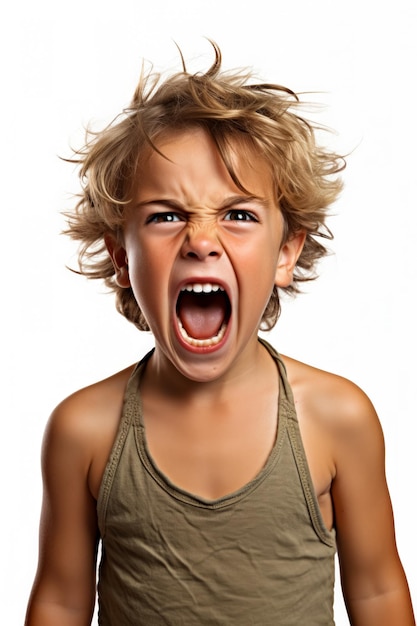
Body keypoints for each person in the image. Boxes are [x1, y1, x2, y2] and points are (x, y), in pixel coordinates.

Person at [25, 43, 415, 625]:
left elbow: (379, 592)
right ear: (122, 258)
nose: (200, 240)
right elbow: (59, 601)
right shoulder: (85, 429)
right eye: (166, 215)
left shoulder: (337, 418)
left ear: (286, 252)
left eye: (238, 215)